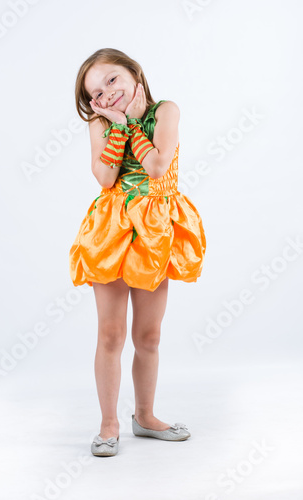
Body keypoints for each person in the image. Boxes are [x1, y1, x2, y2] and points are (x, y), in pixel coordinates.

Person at [69, 48, 207, 457]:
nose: (107, 93)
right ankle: (109, 423)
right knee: (110, 333)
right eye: (97, 92)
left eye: (112, 80)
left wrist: (130, 123)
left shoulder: (166, 110)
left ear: (133, 72)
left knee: (149, 334)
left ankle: (144, 416)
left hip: (154, 229)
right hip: (111, 229)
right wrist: (116, 126)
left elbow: (158, 167)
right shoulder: (99, 123)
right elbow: (107, 176)